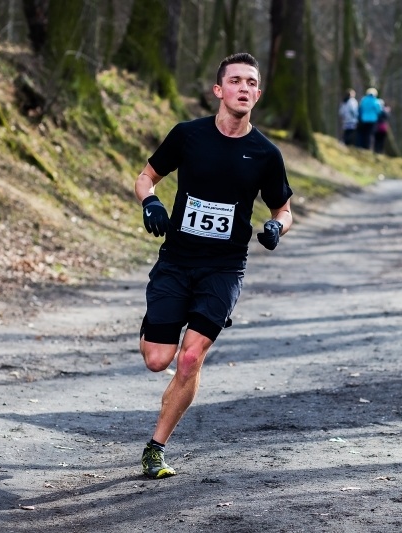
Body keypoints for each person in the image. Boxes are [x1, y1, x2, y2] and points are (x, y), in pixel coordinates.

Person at [133, 52, 293, 479]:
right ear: (219, 90)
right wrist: (151, 202)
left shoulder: (265, 153)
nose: (244, 88)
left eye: (251, 82)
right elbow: (145, 177)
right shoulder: (188, 135)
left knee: (189, 359)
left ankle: (155, 448)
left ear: (258, 94)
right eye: (236, 80)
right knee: (157, 359)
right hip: (177, 261)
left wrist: (276, 227)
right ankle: (158, 325)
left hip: (223, 269)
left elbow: (284, 209)